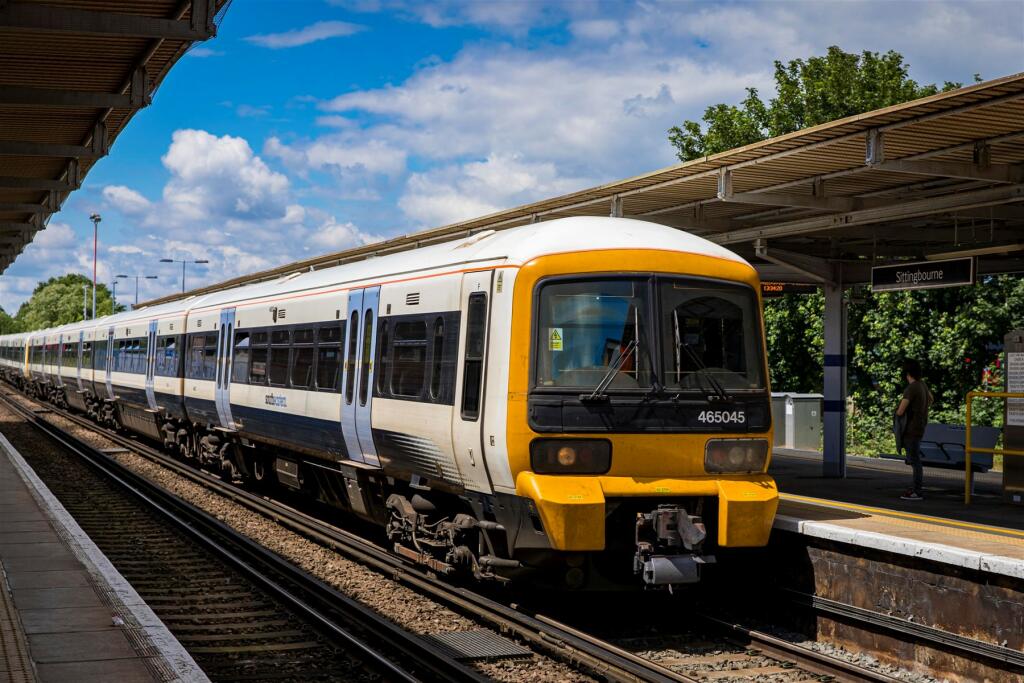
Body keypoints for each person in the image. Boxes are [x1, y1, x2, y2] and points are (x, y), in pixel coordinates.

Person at [896, 359, 933, 501]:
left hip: (911, 428)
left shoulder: (911, 388)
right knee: (914, 459)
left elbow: (900, 411)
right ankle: (916, 489)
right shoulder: (922, 385)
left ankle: (916, 491)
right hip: (920, 426)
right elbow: (931, 399)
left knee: (914, 461)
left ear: (907, 373)